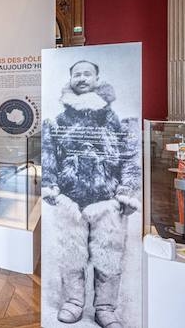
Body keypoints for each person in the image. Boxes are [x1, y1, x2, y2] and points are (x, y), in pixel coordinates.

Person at [42, 60, 140, 328]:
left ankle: (105, 308)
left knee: (109, 257)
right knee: (71, 255)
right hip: (70, 200)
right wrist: (50, 184)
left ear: (97, 79)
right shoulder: (58, 121)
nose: (82, 78)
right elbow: (49, 155)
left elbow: (129, 156)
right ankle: (73, 302)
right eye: (77, 74)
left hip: (107, 200)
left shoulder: (114, 119)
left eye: (87, 74)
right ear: (70, 79)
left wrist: (127, 190)